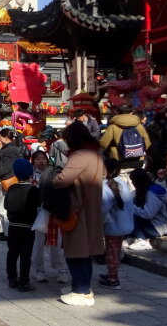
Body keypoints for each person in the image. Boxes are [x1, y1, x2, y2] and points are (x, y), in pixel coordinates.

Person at [53, 121, 105, 307]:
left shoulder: (80, 155)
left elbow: (62, 179)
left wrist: (53, 177)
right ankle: (82, 287)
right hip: (92, 207)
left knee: (76, 251)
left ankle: (81, 292)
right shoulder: (96, 154)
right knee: (85, 252)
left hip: (77, 209)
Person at [30, 150, 68, 285]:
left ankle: (62, 270)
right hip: (39, 213)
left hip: (54, 211)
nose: (41, 161)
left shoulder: (54, 173)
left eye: (43, 159)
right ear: (33, 161)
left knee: (59, 242)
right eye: (38, 159)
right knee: (38, 243)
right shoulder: (30, 175)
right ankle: (39, 270)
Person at [4, 158, 40, 292]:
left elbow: (6, 205)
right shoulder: (33, 190)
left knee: (12, 253)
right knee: (26, 255)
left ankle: (12, 278)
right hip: (27, 227)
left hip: (13, 226)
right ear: (31, 174)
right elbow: (38, 204)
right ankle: (24, 282)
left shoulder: (11, 188)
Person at [101, 158, 134, 289]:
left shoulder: (106, 186)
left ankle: (113, 279)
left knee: (111, 252)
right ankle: (112, 274)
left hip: (113, 225)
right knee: (115, 251)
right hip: (124, 224)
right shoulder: (123, 183)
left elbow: (103, 208)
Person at [0, 128, 22, 241]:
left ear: (5, 138)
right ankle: (7, 231)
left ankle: (8, 233)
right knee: (5, 207)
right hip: (7, 180)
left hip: (8, 181)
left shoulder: (10, 150)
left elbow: (5, 167)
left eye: (0, 137)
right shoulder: (10, 148)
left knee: (3, 208)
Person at [127, 168, 167, 250]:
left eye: (133, 180)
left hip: (157, 227)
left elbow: (148, 214)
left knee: (133, 216)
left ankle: (142, 240)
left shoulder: (152, 194)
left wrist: (131, 207)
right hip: (148, 224)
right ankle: (133, 237)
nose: (132, 183)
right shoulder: (141, 191)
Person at [100, 104, 150, 169]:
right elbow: (147, 143)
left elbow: (103, 143)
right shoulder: (139, 126)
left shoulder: (113, 127)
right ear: (131, 113)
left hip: (119, 160)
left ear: (118, 113)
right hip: (138, 159)